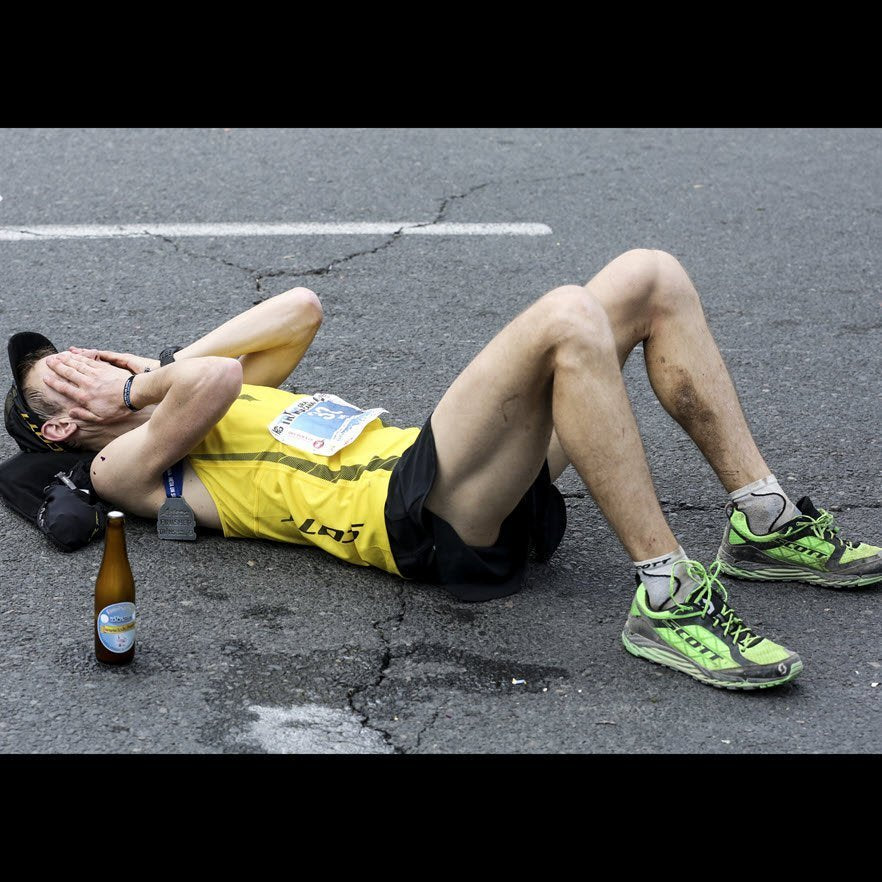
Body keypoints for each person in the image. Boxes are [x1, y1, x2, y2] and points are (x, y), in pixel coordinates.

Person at [5, 249, 881, 691]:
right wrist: (139, 385)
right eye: (65, 374)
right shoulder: (121, 467)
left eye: (78, 350)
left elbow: (300, 309)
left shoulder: (169, 395)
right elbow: (213, 378)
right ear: (61, 430)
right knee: (567, 315)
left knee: (648, 275)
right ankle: (666, 594)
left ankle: (761, 520)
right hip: (412, 517)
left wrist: (136, 375)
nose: (83, 358)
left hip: (445, 468)